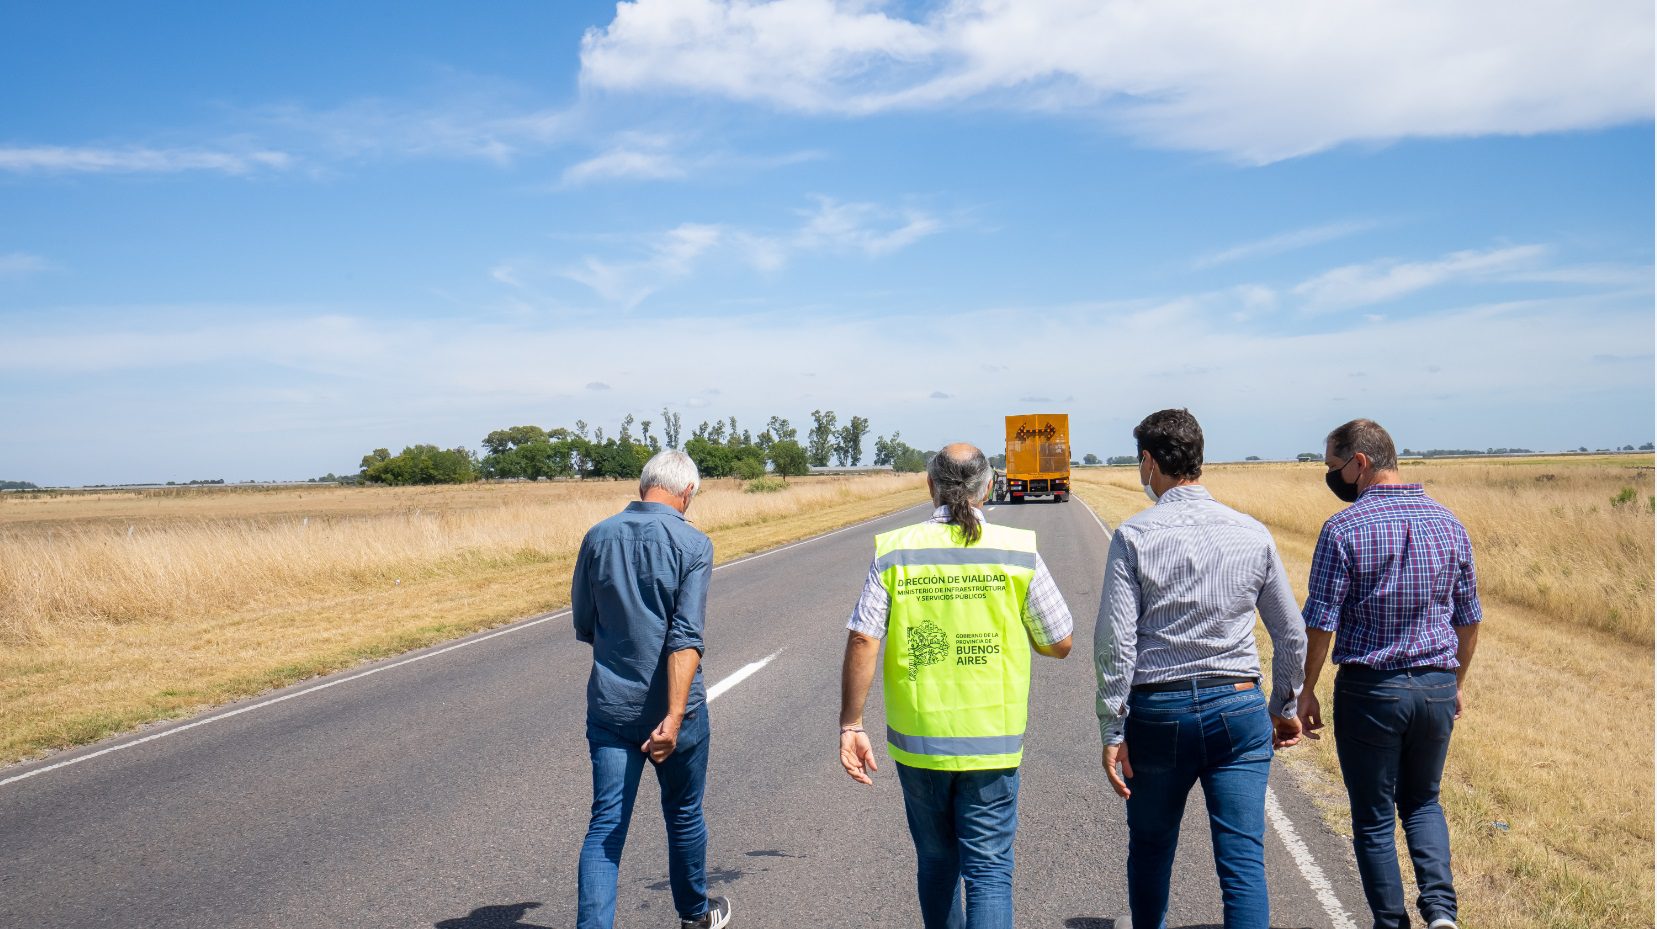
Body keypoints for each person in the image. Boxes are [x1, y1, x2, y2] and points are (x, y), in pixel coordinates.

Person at [839, 443, 1073, 929]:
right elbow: (1060, 642)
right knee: (988, 871)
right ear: (988, 487)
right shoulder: (1016, 550)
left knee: (937, 861)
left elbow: (864, 636)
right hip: (992, 741)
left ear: (930, 486)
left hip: (920, 743)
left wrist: (851, 723)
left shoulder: (896, 550)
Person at [1094, 408, 1306, 929]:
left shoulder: (1133, 536)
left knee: (1150, 847)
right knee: (1241, 862)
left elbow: (1116, 643)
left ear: (1149, 463)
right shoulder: (1252, 533)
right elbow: (1291, 634)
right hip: (1236, 705)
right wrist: (1285, 706)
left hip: (1158, 711)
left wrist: (1112, 726)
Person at [1299, 419, 1480, 929]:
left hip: (1371, 690)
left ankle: (1390, 921)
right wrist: (1456, 683)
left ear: (1360, 463)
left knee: (1374, 817)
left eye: (1334, 466)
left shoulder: (1344, 528)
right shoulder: (1448, 522)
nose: (1332, 478)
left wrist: (1306, 691)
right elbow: (1469, 618)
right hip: (1437, 684)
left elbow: (1321, 622)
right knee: (1423, 802)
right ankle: (1442, 915)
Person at [572, 449, 732, 929]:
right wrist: (676, 715)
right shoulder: (693, 543)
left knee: (606, 827)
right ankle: (694, 916)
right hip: (673, 713)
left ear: (645, 484)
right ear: (687, 493)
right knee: (683, 814)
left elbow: (584, 621)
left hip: (611, 707)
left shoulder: (597, 537)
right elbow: (686, 637)